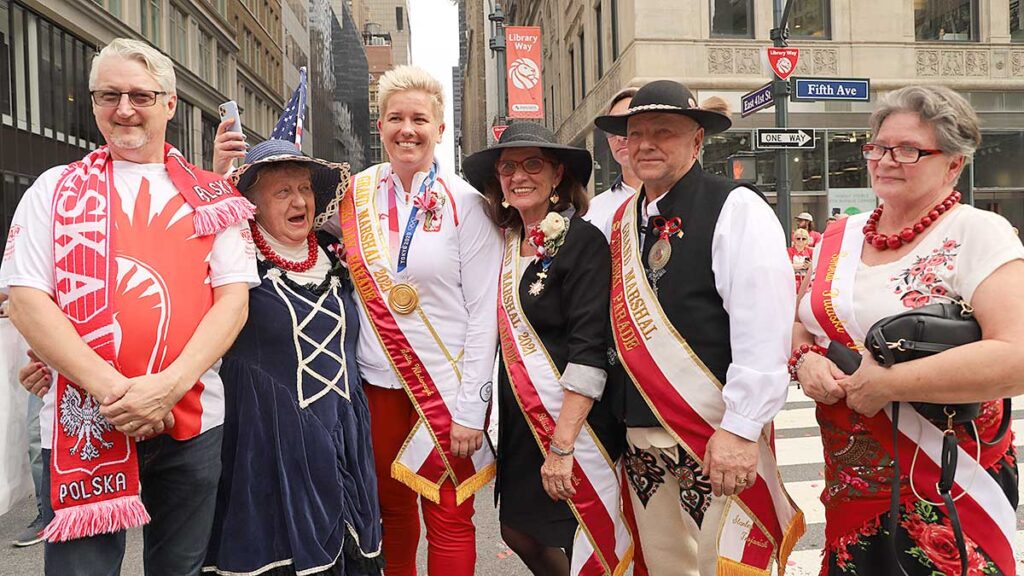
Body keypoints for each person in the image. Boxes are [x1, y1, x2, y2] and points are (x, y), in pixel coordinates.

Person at [0, 38, 258, 575]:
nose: (123, 109)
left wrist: (167, 386)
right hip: (82, 424)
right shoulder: (52, 189)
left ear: (170, 103)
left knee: (180, 569)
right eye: (108, 94)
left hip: (191, 419)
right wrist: (120, 395)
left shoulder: (214, 197)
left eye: (140, 95)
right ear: (92, 102)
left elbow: (232, 303)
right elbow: (26, 301)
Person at [792, 85, 1024, 575]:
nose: (885, 161)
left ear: (954, 163)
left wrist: (889, 385)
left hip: (946, 477)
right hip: (850, 484)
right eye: (877, 147)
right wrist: (804, 359)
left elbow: (1016, 356)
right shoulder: (841, 234)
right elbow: (800, 320)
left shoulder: (979, 234)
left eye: (909, 150)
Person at [593, 80, 804, 575]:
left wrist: (742, 428)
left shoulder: (736, 207)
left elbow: (762, 326)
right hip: (641, 434)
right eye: (636, 132)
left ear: (697, 140)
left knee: (722, 565)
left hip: (711, 433)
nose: (646, 143)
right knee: (665, 566)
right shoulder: (624, 219)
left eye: (663, 131)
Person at [321, 65, 502, 576]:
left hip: (445, 391)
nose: (407, 129)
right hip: (377, 387)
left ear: (439, 128)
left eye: (419, 119)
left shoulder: (469, 204)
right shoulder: (352, 196)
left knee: (449, 516)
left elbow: (484, 313)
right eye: (395, 117)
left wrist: (472, 409)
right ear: (379, 126)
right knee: (391, 515)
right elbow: (285, 226)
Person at [204, 140, 384, 575]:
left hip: (343, 433)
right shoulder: (233, 260)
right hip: (266, 442)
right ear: (252, 203)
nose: (299, 200)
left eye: (304, 188)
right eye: (282, 192)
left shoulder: (336, 253)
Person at [462, 122, 631, 575]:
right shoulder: (505, 241)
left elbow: (588, 347)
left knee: (580, 535)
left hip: (570, 421)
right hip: (520, 416)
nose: (519, 175)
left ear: (557, 175)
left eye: (533, 164)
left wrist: (562, 446)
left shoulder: (583, 243)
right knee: (518, 530)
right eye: (507, 167)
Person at [584, 88, 640, 230]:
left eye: (627, 126)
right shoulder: (592, 210)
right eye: (613, 129)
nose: (620, 137)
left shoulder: (688, 199)